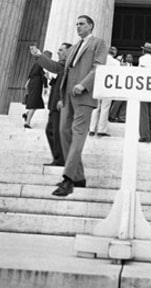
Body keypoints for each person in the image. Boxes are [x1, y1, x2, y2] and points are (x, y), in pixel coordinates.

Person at [52, 15, 107, 197]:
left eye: (82, 24)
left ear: (90, 26)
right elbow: (61, 69)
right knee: (63, 133)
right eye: (76, 24)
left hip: (83, 94)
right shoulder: (74, 47)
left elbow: (98, 67)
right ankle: (79, 176)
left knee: (77, 136)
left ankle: (68, 180)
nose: (78, 27)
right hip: (67, 95)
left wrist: (84, 84)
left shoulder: (98, 43)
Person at [31, 42, 72, 166]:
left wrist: (39, 55)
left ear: (68, 52)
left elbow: (68, 84)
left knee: (57, 132)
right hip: (54, 103)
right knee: (50, 131)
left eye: (61, 50)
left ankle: (61, 159)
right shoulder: (63, 66)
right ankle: (59, 157)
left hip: (60, 104)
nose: (58, 52)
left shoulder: (68, 66)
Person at [89, 46, 119, 137]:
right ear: (115, 53)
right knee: (105, 108)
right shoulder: (116, 62)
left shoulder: (100, 60)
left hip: (98, 85)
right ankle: (101, 130)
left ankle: (92, 129)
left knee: (95, 108)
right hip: (108, 87)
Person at [23, 46, 48, 129]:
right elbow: (43, 75)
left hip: (32, 82)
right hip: (37, 83)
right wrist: (46, 86)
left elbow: (31, 73)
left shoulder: (36, 63)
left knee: (35, 102)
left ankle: (27, 114)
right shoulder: (43, 63)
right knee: (34, 103)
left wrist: (28, 82)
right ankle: (27, 122)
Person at [109, 53, 133, 123]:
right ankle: (111, 116)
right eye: (128, 57)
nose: (129, 58)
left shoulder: (133, 66)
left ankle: (122, 118)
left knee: (125, 102)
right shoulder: (122, 65)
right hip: (122, 86)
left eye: (131, 57)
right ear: (125, 59)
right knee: (118, 101)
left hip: (129, 87)